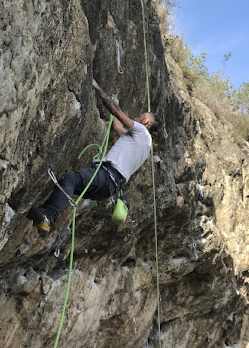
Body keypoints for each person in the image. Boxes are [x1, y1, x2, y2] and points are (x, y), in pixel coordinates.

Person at [27, 79, 157, 237]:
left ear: (146, 121)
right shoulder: (144, 145)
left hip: (106, 176)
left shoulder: (142, 132)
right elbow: (116, 126)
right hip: (109, 187)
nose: (136, 118)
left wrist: (97, 88)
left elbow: (117, 112)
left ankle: (48, 217)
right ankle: (45, 211)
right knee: (70, 184)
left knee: (70, 180)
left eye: (139, 117)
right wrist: (113, 104)